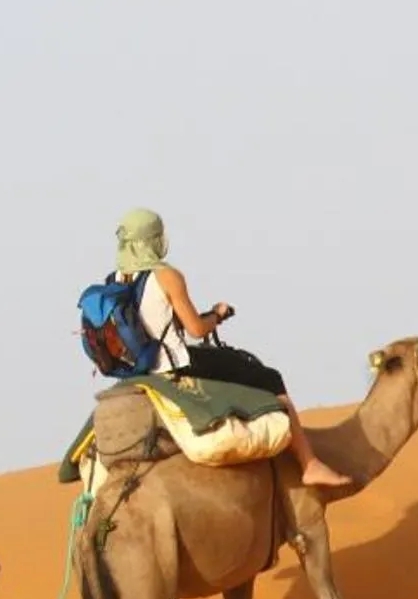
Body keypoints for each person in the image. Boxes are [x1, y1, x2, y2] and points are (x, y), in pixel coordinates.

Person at [110, 208, 353, 490]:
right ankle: (310, 464)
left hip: (142, 370)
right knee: (269, 378)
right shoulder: (167, 276)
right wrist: (217, 314)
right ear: (153, 239)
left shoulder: (116, 279)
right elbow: (197, 330)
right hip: (176, 366)